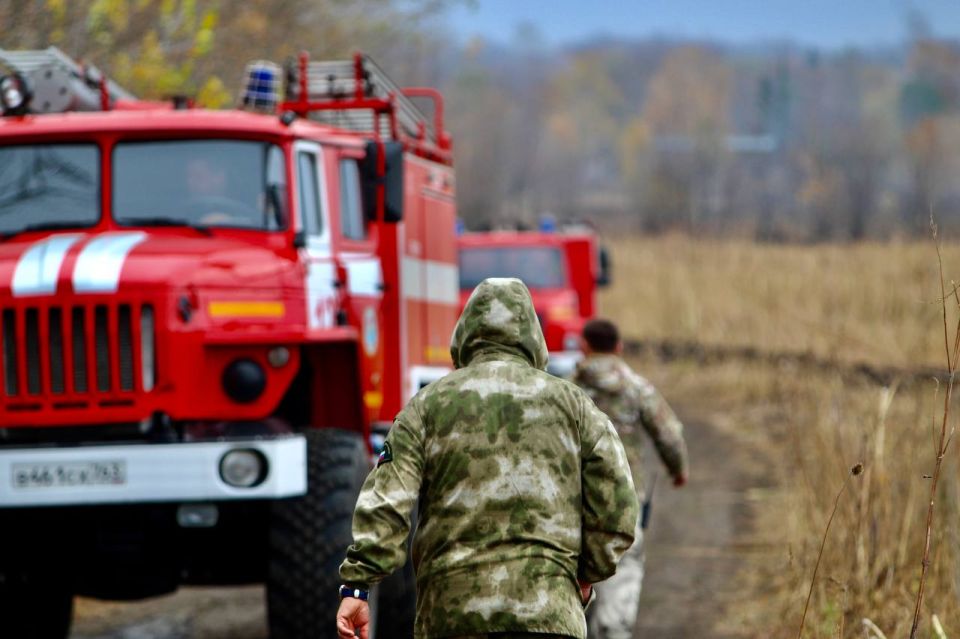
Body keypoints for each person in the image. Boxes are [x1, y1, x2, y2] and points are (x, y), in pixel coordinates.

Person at [336, 278, 640, 639]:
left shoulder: (426, 407)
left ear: (465, 335)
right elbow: (618, 509)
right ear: (533, 336)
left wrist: (358, 586)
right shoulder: (576, 406)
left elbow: (387, 502)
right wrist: (585, 576)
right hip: (550, 616)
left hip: (451, 618)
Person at [571, 318, 689, 639]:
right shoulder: (637, 388)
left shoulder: (567, 390)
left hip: (572, 504)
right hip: (623, 502)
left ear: (584, 346)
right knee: (622, 571)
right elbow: (668, 434)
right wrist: (678, 470)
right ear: (619, 347)